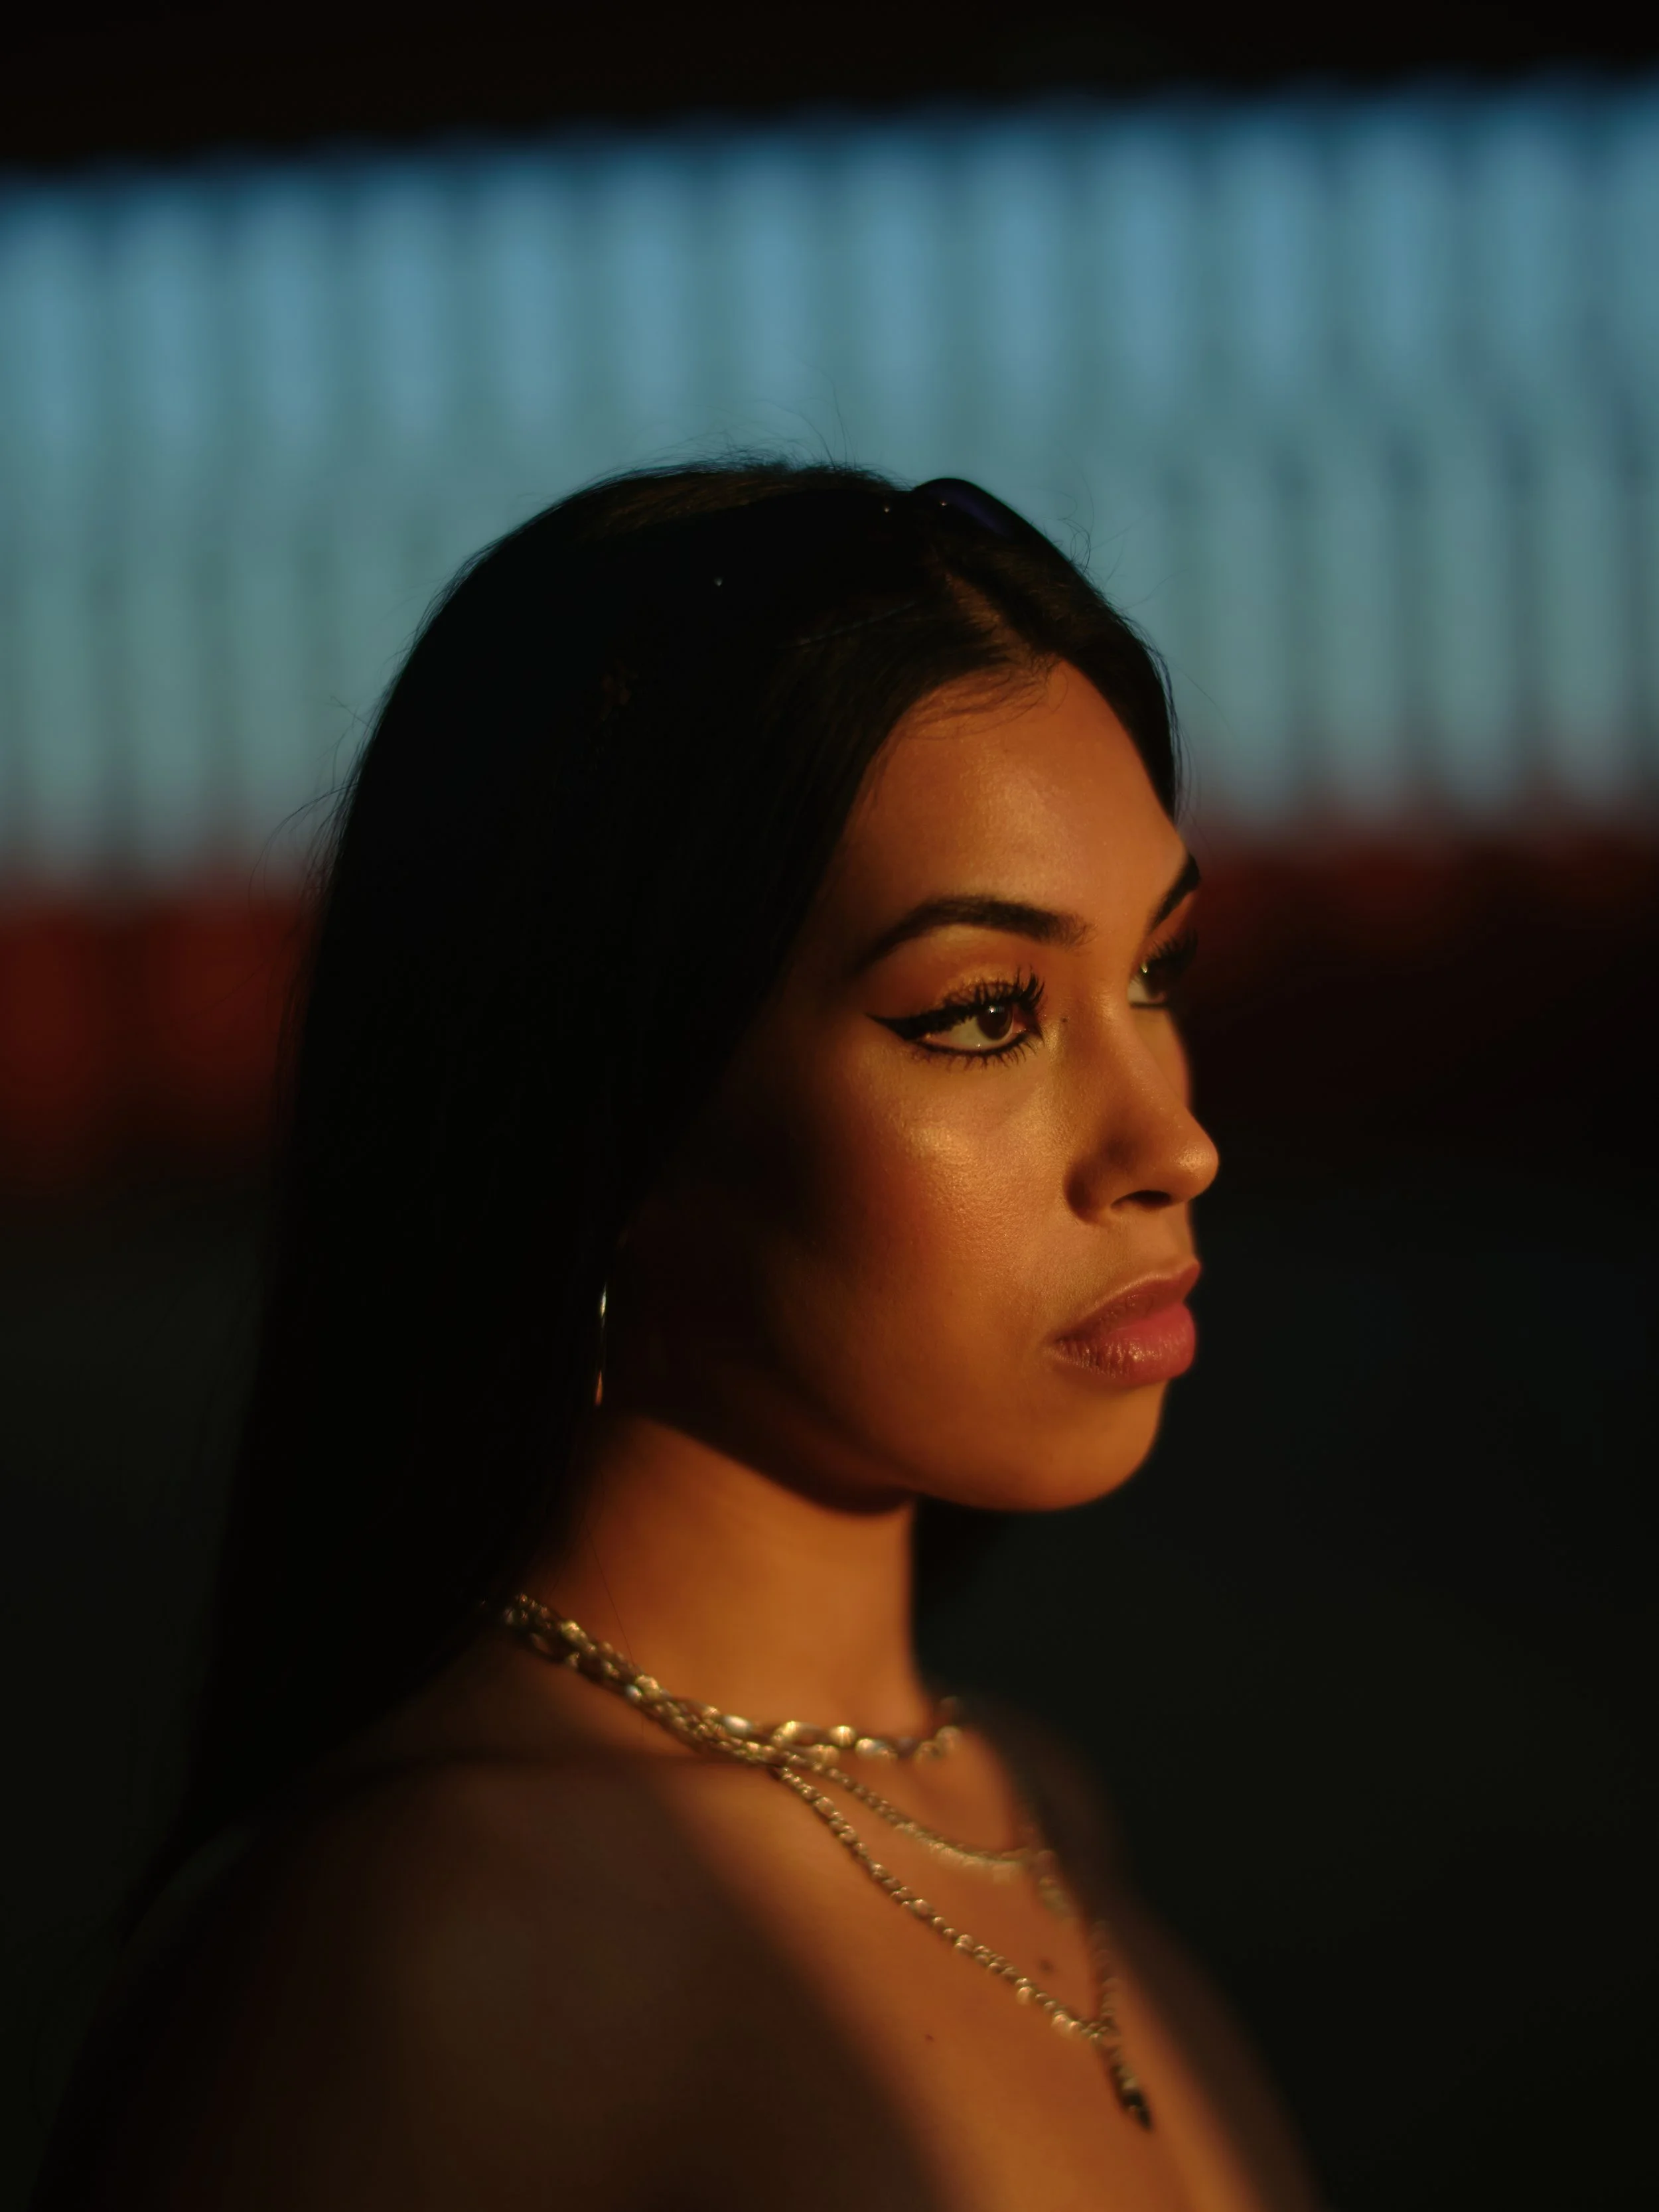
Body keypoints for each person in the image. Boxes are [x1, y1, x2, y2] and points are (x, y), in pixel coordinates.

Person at [31, 462, 1323, 2210]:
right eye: (983, 1011)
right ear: (605, 1112)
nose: (1167, 1138)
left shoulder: (1023, 1804)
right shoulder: (448, 1948)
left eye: (1151, 973)